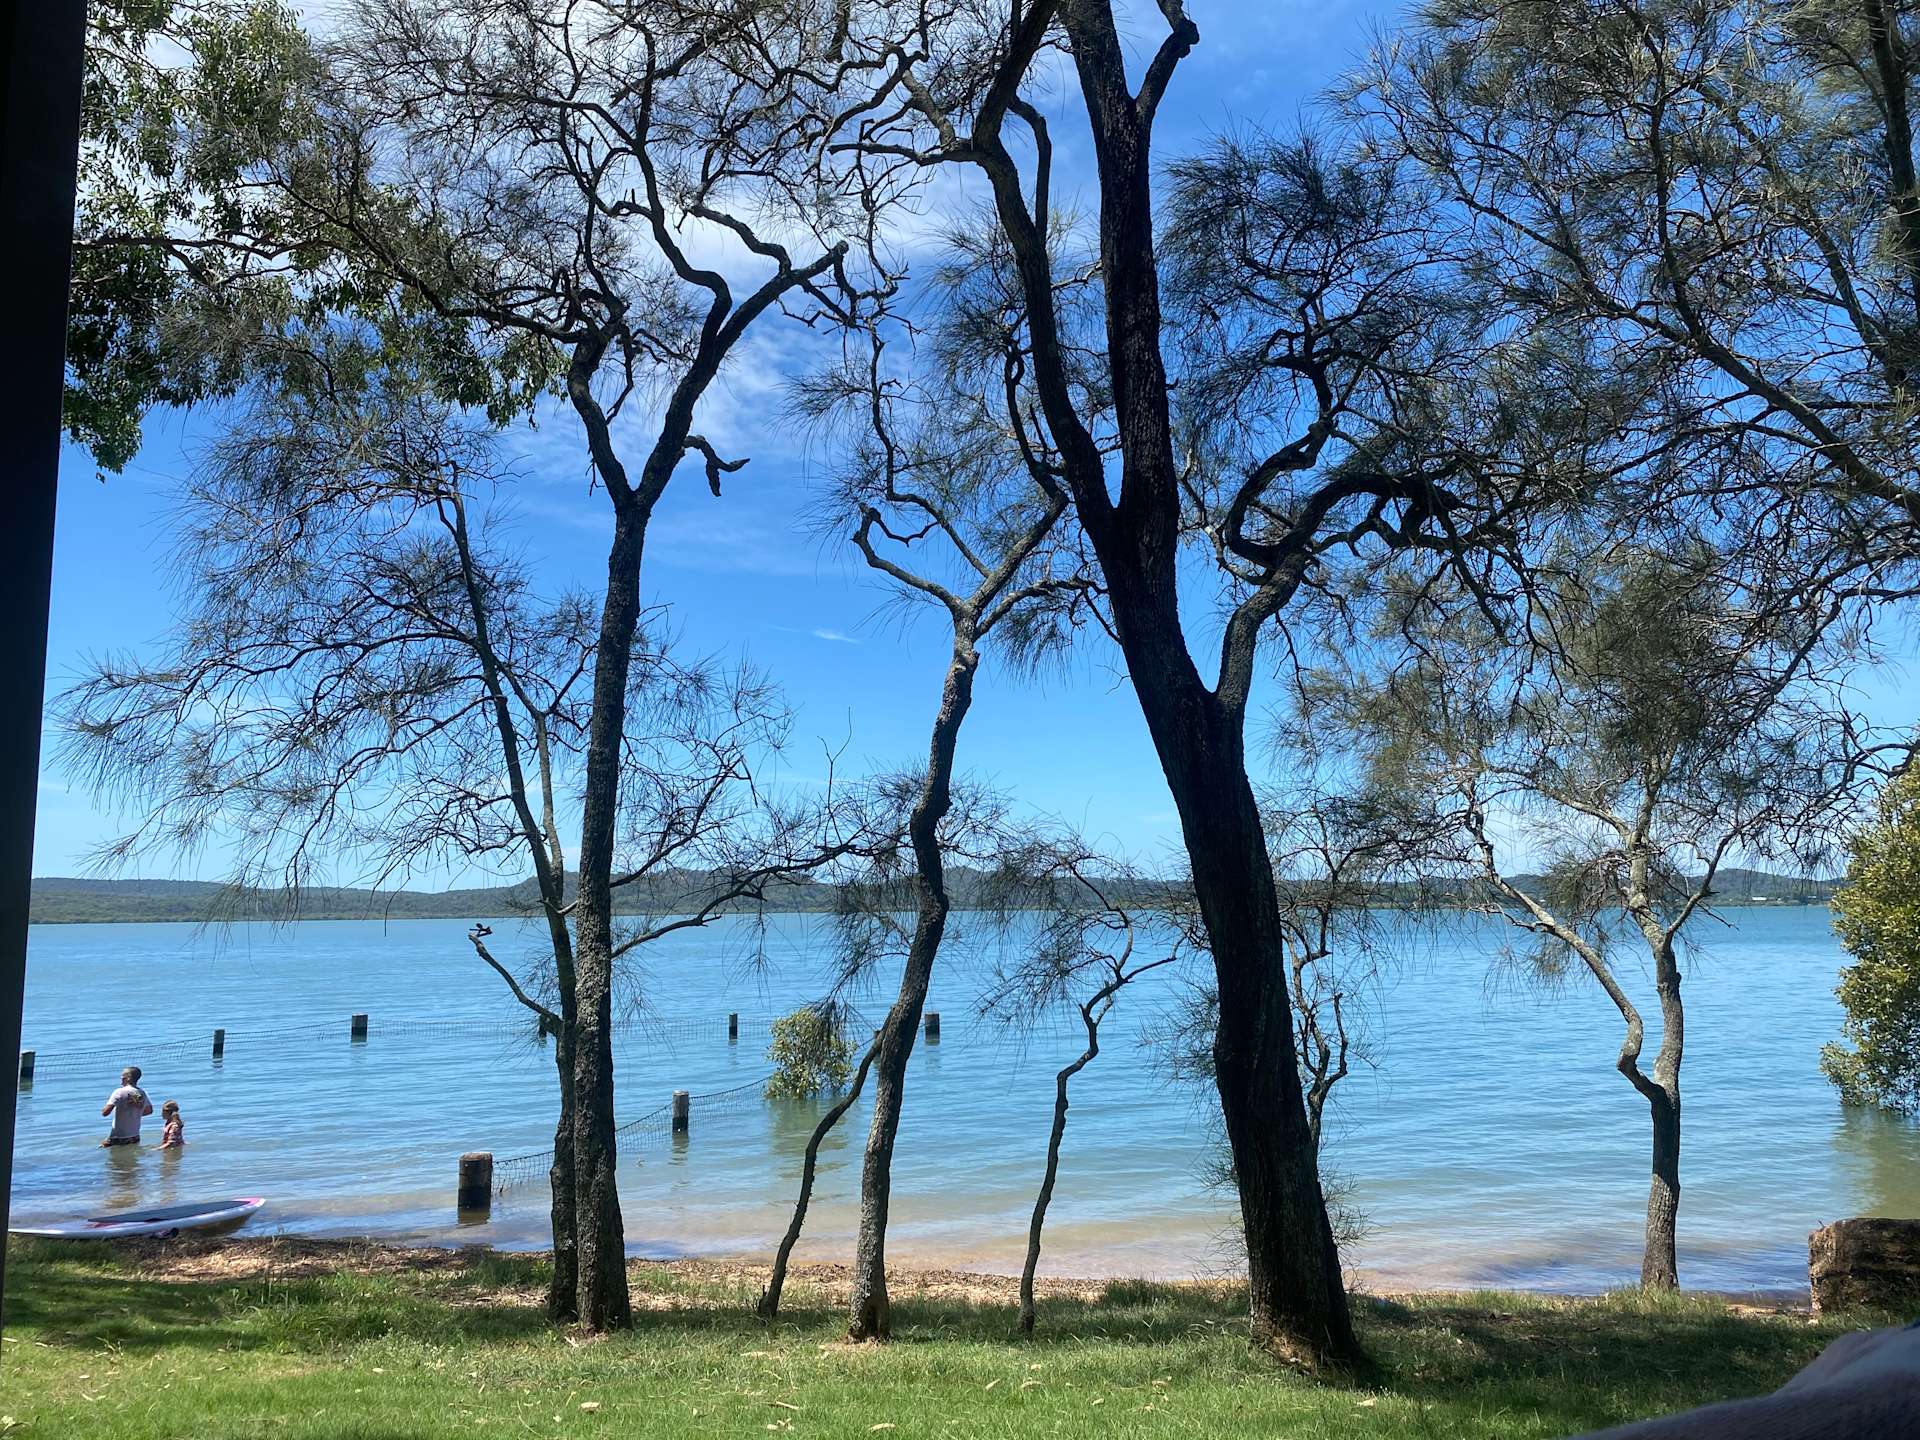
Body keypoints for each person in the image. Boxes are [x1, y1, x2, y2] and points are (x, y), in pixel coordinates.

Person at [99, 1066, 152, 1147]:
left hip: (118, 1136)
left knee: (110, 1156)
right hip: (135, 1136)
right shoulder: (142, 1093)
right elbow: (149, 1111)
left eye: (122, 1076)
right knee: (131, 1159)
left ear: (127, 1078)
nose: (121, 1078)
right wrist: (135, 1114)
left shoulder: (119, 1092)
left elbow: (105, 1113)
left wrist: (103, 1110)